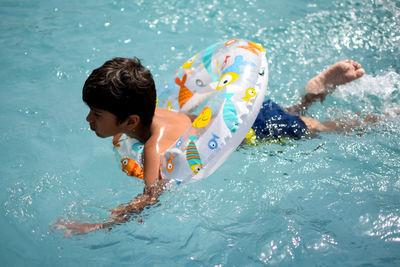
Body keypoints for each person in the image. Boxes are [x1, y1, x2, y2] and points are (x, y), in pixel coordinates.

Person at [54, 57, 364, 236]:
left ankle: (374, 118)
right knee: (294, 117)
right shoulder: (154, 112)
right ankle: (312, 95)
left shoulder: (152, 147)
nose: (88, 120)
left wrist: (99, 224)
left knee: (326, 130)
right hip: (240, 113)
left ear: (131, 121)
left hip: (257, 130)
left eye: (97, 114)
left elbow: (149, 199)